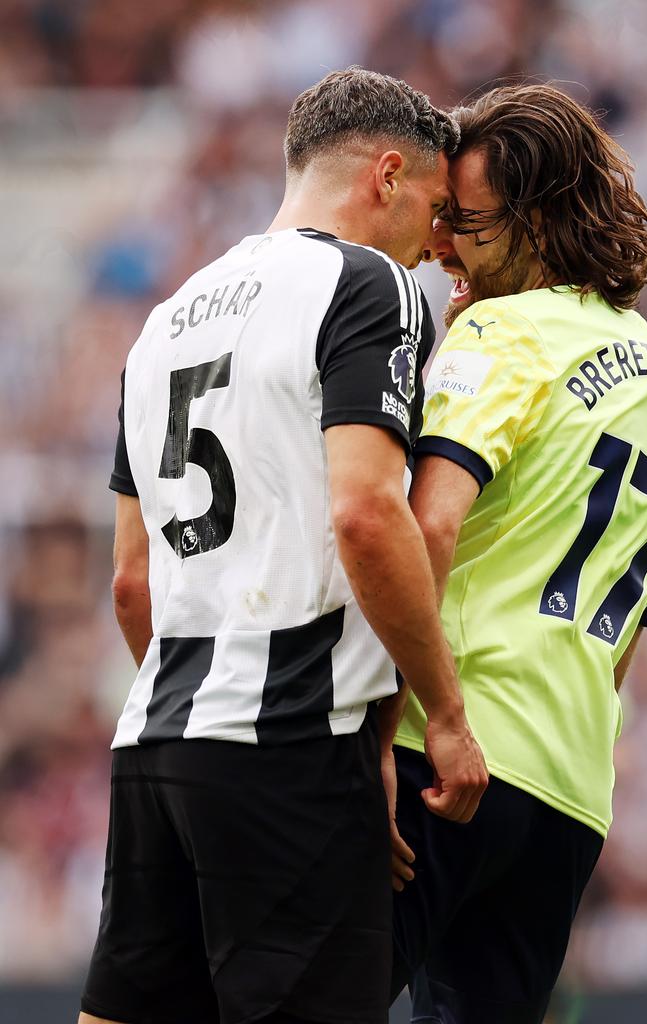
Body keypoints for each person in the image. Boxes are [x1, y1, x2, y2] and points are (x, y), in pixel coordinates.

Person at [79, 67, 487, 1024]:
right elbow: (367, 515)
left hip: (154, 745)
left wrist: (199, 719)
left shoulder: (163, 320)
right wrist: (445, 713)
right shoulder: (365, 284)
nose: (434, 249)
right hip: (292, 744)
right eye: (433, 208)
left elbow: (132, 583)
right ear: (387, 174)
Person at [383, 84, 647, 1023]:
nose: (442, 248)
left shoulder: (502, 329)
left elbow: (426, 527)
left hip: (445, 753)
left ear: (541, 220)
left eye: (465, 223)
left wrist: (391, 722)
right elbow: (633, 634)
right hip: (566, 792)